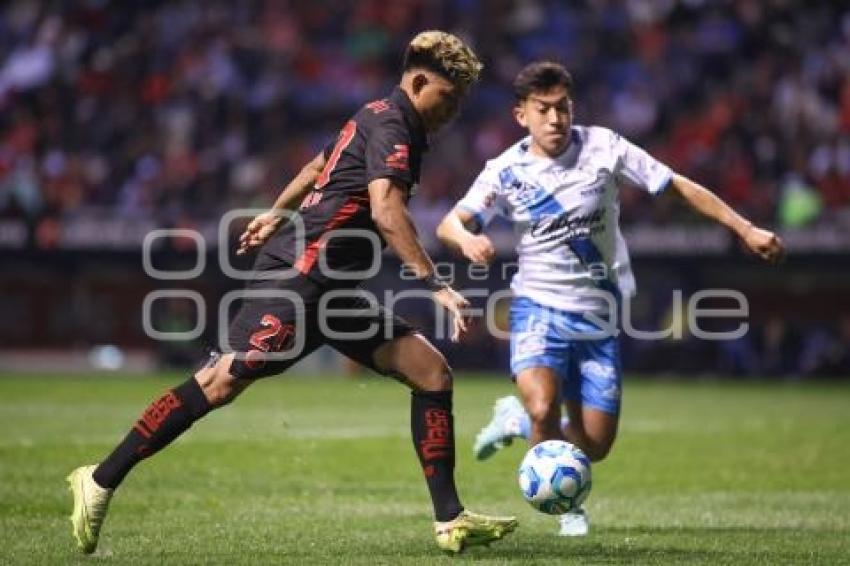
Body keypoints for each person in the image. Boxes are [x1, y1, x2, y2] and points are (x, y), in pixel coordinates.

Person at [67, 31, 517, 556]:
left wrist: (276, 212)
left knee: (431, 371)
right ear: (419, 81)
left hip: (333, 288)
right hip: (301, 275)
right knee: (219, 382)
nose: (455, 108)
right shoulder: (393, 123)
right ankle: (99, 479)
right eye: (449, 94)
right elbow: (387, 213)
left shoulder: (376, 115)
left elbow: (313, 169)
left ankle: (450, 519)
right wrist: (435, 284)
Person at [436, 61, 784, 536]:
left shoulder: (605, 147)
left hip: (598, 315)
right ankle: (567, 503)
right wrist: (466, 240)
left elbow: (675, 184)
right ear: (522, 115)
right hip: (537, 308)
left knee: (595, 445)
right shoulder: (505, 170)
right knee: (544, 406)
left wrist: (744, 228)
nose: (556, 119)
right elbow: (449, 222)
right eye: (544, 110)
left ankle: (517, 421)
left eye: (563, 107)